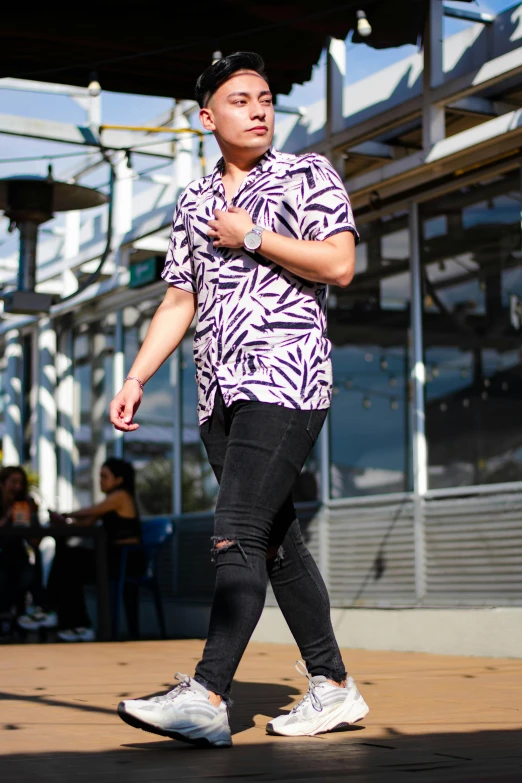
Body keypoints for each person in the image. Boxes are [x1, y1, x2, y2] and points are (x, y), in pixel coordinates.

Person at [111, 52, 369, 748]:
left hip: (285, 377)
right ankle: (335, 686)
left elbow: (340, 263)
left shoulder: (307, 174)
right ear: (207, 117)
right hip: (218, 393)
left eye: (265, 98)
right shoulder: (194, 201)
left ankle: (208, 692)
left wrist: (253, 235)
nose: (258, 109)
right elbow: (178, 298)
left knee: (236, 530)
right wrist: (136, 375)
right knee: (275, 541)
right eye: (240, 100)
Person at [45, 458, 145, 642]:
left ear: (119, 480)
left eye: (104, 476)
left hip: (126, 560)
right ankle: (70, 621)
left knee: (68, 560)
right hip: (112, 558)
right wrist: (64, 522)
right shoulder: (109, 500)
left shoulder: (121, 496)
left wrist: (66, 514)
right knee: (67, 560)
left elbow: (89, 512)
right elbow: (86, 522)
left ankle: (56, 613)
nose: (100, 480)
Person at [0, 466, 48, 634]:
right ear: (2, 483)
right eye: (13, 482)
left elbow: (35, 540)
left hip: (17, 558)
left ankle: (36, 609)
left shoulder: (24, 504)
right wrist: (8, 516)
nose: (17, 487)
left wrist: (32, 518)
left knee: (29, 564)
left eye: (21, 483)